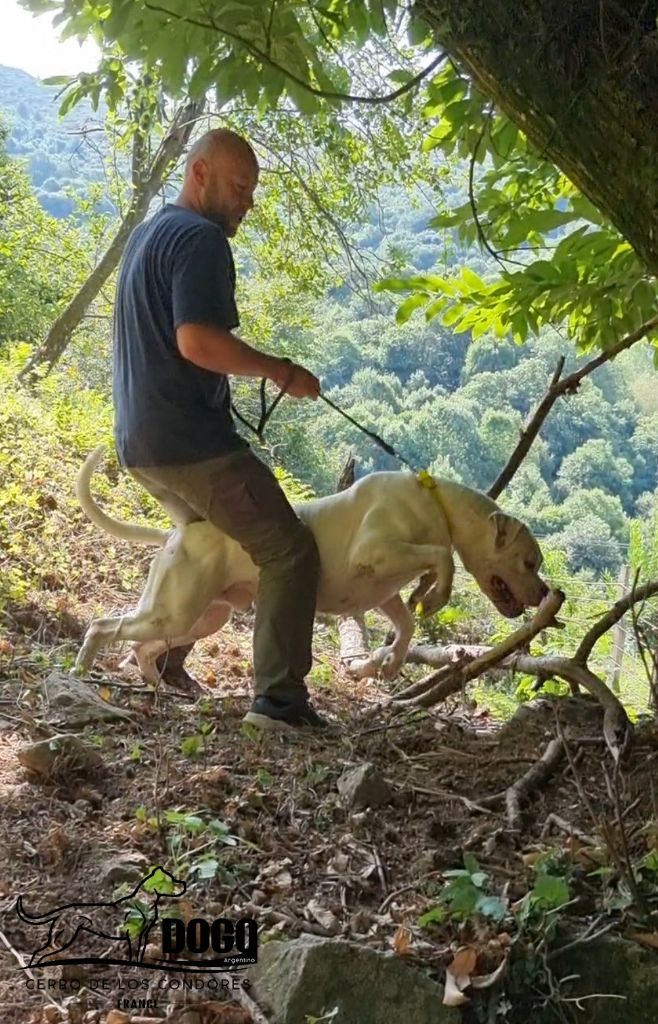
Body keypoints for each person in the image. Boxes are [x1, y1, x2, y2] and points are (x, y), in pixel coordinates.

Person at [113, 128, 326, 731]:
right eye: (239, 187)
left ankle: (167, 655)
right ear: (199, 174)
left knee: (217, 545)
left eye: (252, 192)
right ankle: (279, 704)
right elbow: (196, 341)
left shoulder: (146, 235)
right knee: (288, 550)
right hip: (191, 444)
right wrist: (279, 371)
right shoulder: (201, 240)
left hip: (139, 443)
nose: (247, 203)